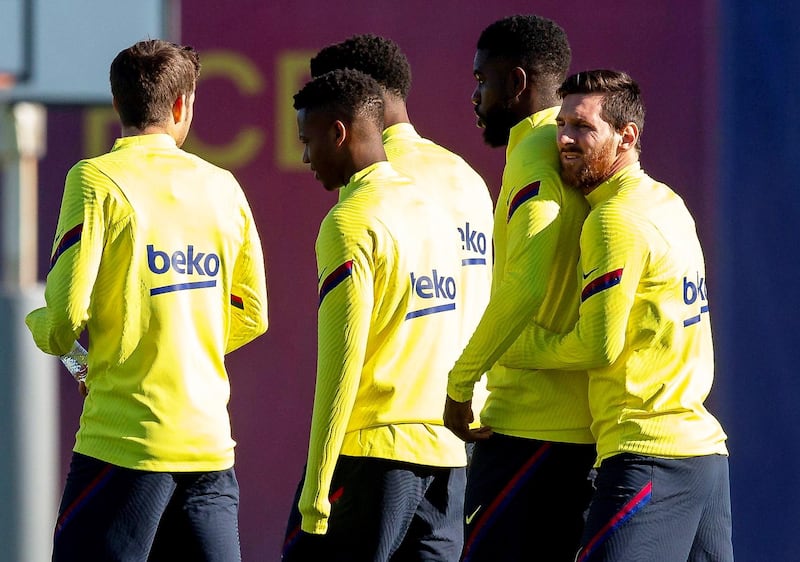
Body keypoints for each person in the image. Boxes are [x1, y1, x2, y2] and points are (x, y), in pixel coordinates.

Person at [25, 39, 269, 561]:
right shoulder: (224, 186)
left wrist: (40, 326)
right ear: (183, 106)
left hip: (123, 448)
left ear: (117, 105)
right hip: (208, 448)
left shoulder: (93, 179)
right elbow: (253, 312)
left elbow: (65, 319)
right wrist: (181, 346)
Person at [501, 69, 732, 561]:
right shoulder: (666, 200)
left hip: (649, 454)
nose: (564, 138)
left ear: (627, 136)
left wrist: (512, 349)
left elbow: (596, 346)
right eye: (561, 124)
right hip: (703, 455)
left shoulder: (613, 218)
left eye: (583, 127)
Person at [282, 68, 468, 561]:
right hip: (446, 462)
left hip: (372, 459)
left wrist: (316, 488)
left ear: (339, 134)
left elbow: (340, 366)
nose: (305, 157)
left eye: (308, 140)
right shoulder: (434, 211)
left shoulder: (350, 220)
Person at [443, 15, 596, 561]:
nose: (475, 96)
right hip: (578, 427)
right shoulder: (579, 146)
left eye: (483, 81)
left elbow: (526, 285)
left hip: (531, 430)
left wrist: (462, 383)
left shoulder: (534, 153)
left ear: (517, 82)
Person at [308, 32, 494, 433]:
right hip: (468, 419)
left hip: (386, 427)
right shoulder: (469, 176)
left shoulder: (374, 182)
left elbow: (350, 333)